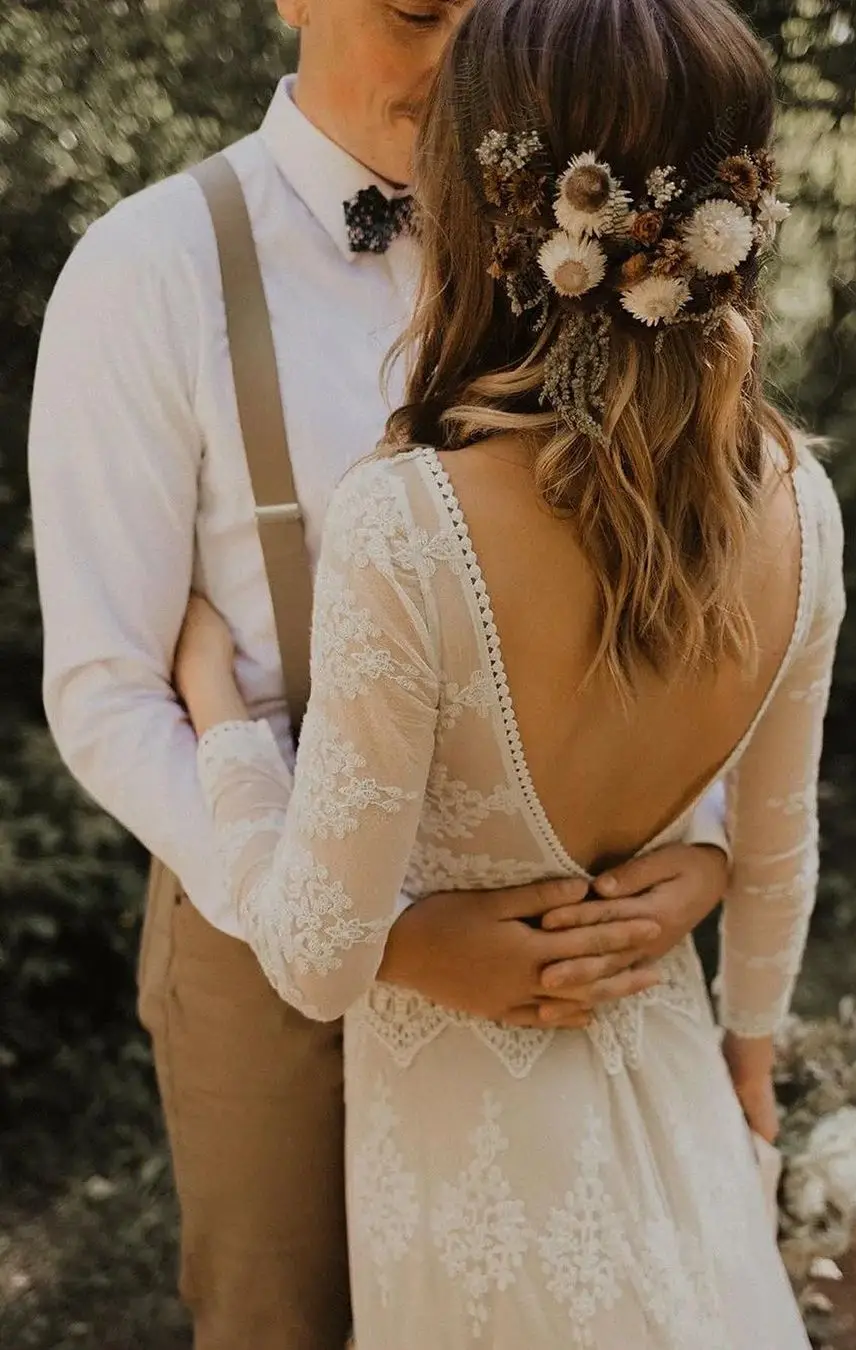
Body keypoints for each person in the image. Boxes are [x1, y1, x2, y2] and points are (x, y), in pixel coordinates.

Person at [27, 1, 731, 1346]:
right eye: (420, 10)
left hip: (552, 915)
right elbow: (110, 690)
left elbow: (675, 572)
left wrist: (694, 839)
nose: (467, 52)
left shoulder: (581, 250)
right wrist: (374, 936)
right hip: (261, 916)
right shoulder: (149, 268)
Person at [173, 0, 846, 1344]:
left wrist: (227, 723)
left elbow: (316, 955)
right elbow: (778, 860)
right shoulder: (799, 500)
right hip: (682, 1151)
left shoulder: (409, 520)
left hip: (471, 1203)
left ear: (494, 206)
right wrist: (751, 1082)